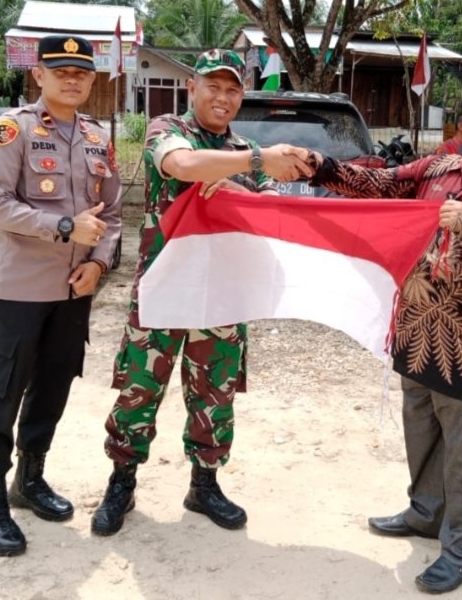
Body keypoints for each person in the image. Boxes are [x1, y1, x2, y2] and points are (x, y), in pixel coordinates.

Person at [305, 76, 462, 594]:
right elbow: (378, 184)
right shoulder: (439, 167)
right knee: (420, 433)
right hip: (414, 334)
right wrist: (318, 167)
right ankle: (424, 512)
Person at [91, 49, 311, 537]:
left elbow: (272, 209)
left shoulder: (246, 150)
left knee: (215, 391)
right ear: (192, 88)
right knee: (140, 388)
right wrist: (247, 163)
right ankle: (121, 480)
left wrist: (242, 189)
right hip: (167, 286)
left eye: (233, 89)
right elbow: (183, 164)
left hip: (222, 294)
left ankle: (204, 483)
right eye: (213, 86)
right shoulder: (168, 129)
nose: (223, 96)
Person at [0, 34, 122, 557]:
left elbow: (113, 217)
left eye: (81, 73)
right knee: (3, 391)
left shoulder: (99, 138)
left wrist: (99, 263)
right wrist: (62, 226)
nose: (72, 79)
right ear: (39, 76)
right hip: (19, 289)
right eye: (61, 71)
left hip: (75, 289)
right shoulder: (14, 129)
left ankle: (29, 480)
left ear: (92, 80)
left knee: (54, 386)